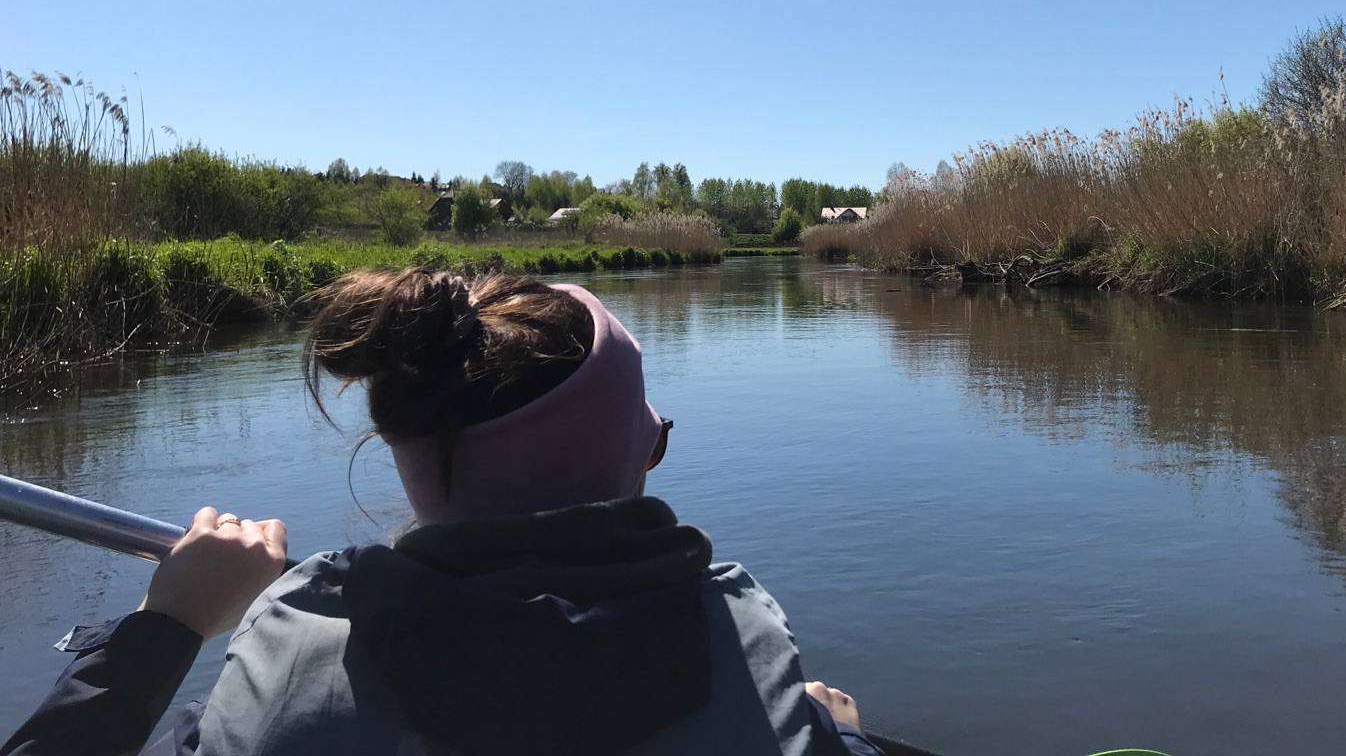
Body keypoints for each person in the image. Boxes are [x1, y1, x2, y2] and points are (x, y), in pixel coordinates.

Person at [4, 270, 883, 756]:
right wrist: (835, 737)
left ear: (404, 450)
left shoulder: (284, 661)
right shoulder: (747, 645)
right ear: (627, 471)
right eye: (651, 444)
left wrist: (164, 630)